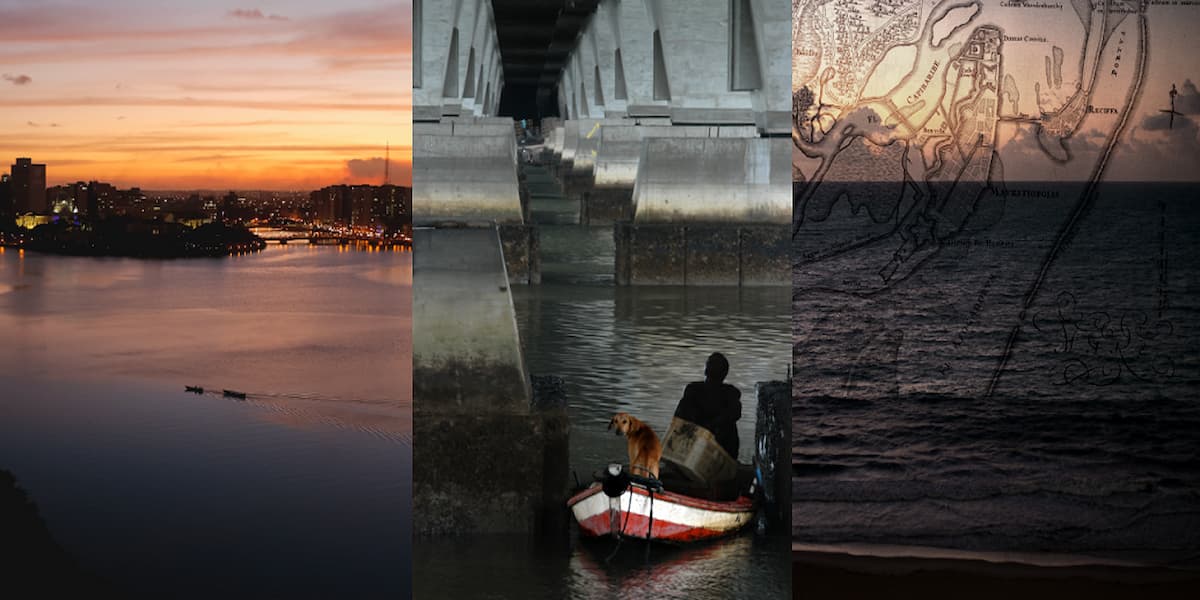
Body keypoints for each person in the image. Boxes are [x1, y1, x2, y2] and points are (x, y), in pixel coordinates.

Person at [673, 352, 741, 458]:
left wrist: (709, 427)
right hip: (709, 442)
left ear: (705, 370)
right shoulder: (694, 390)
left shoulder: (730, 394)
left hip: (717, 444)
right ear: (725, 373)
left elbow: (735, 414)